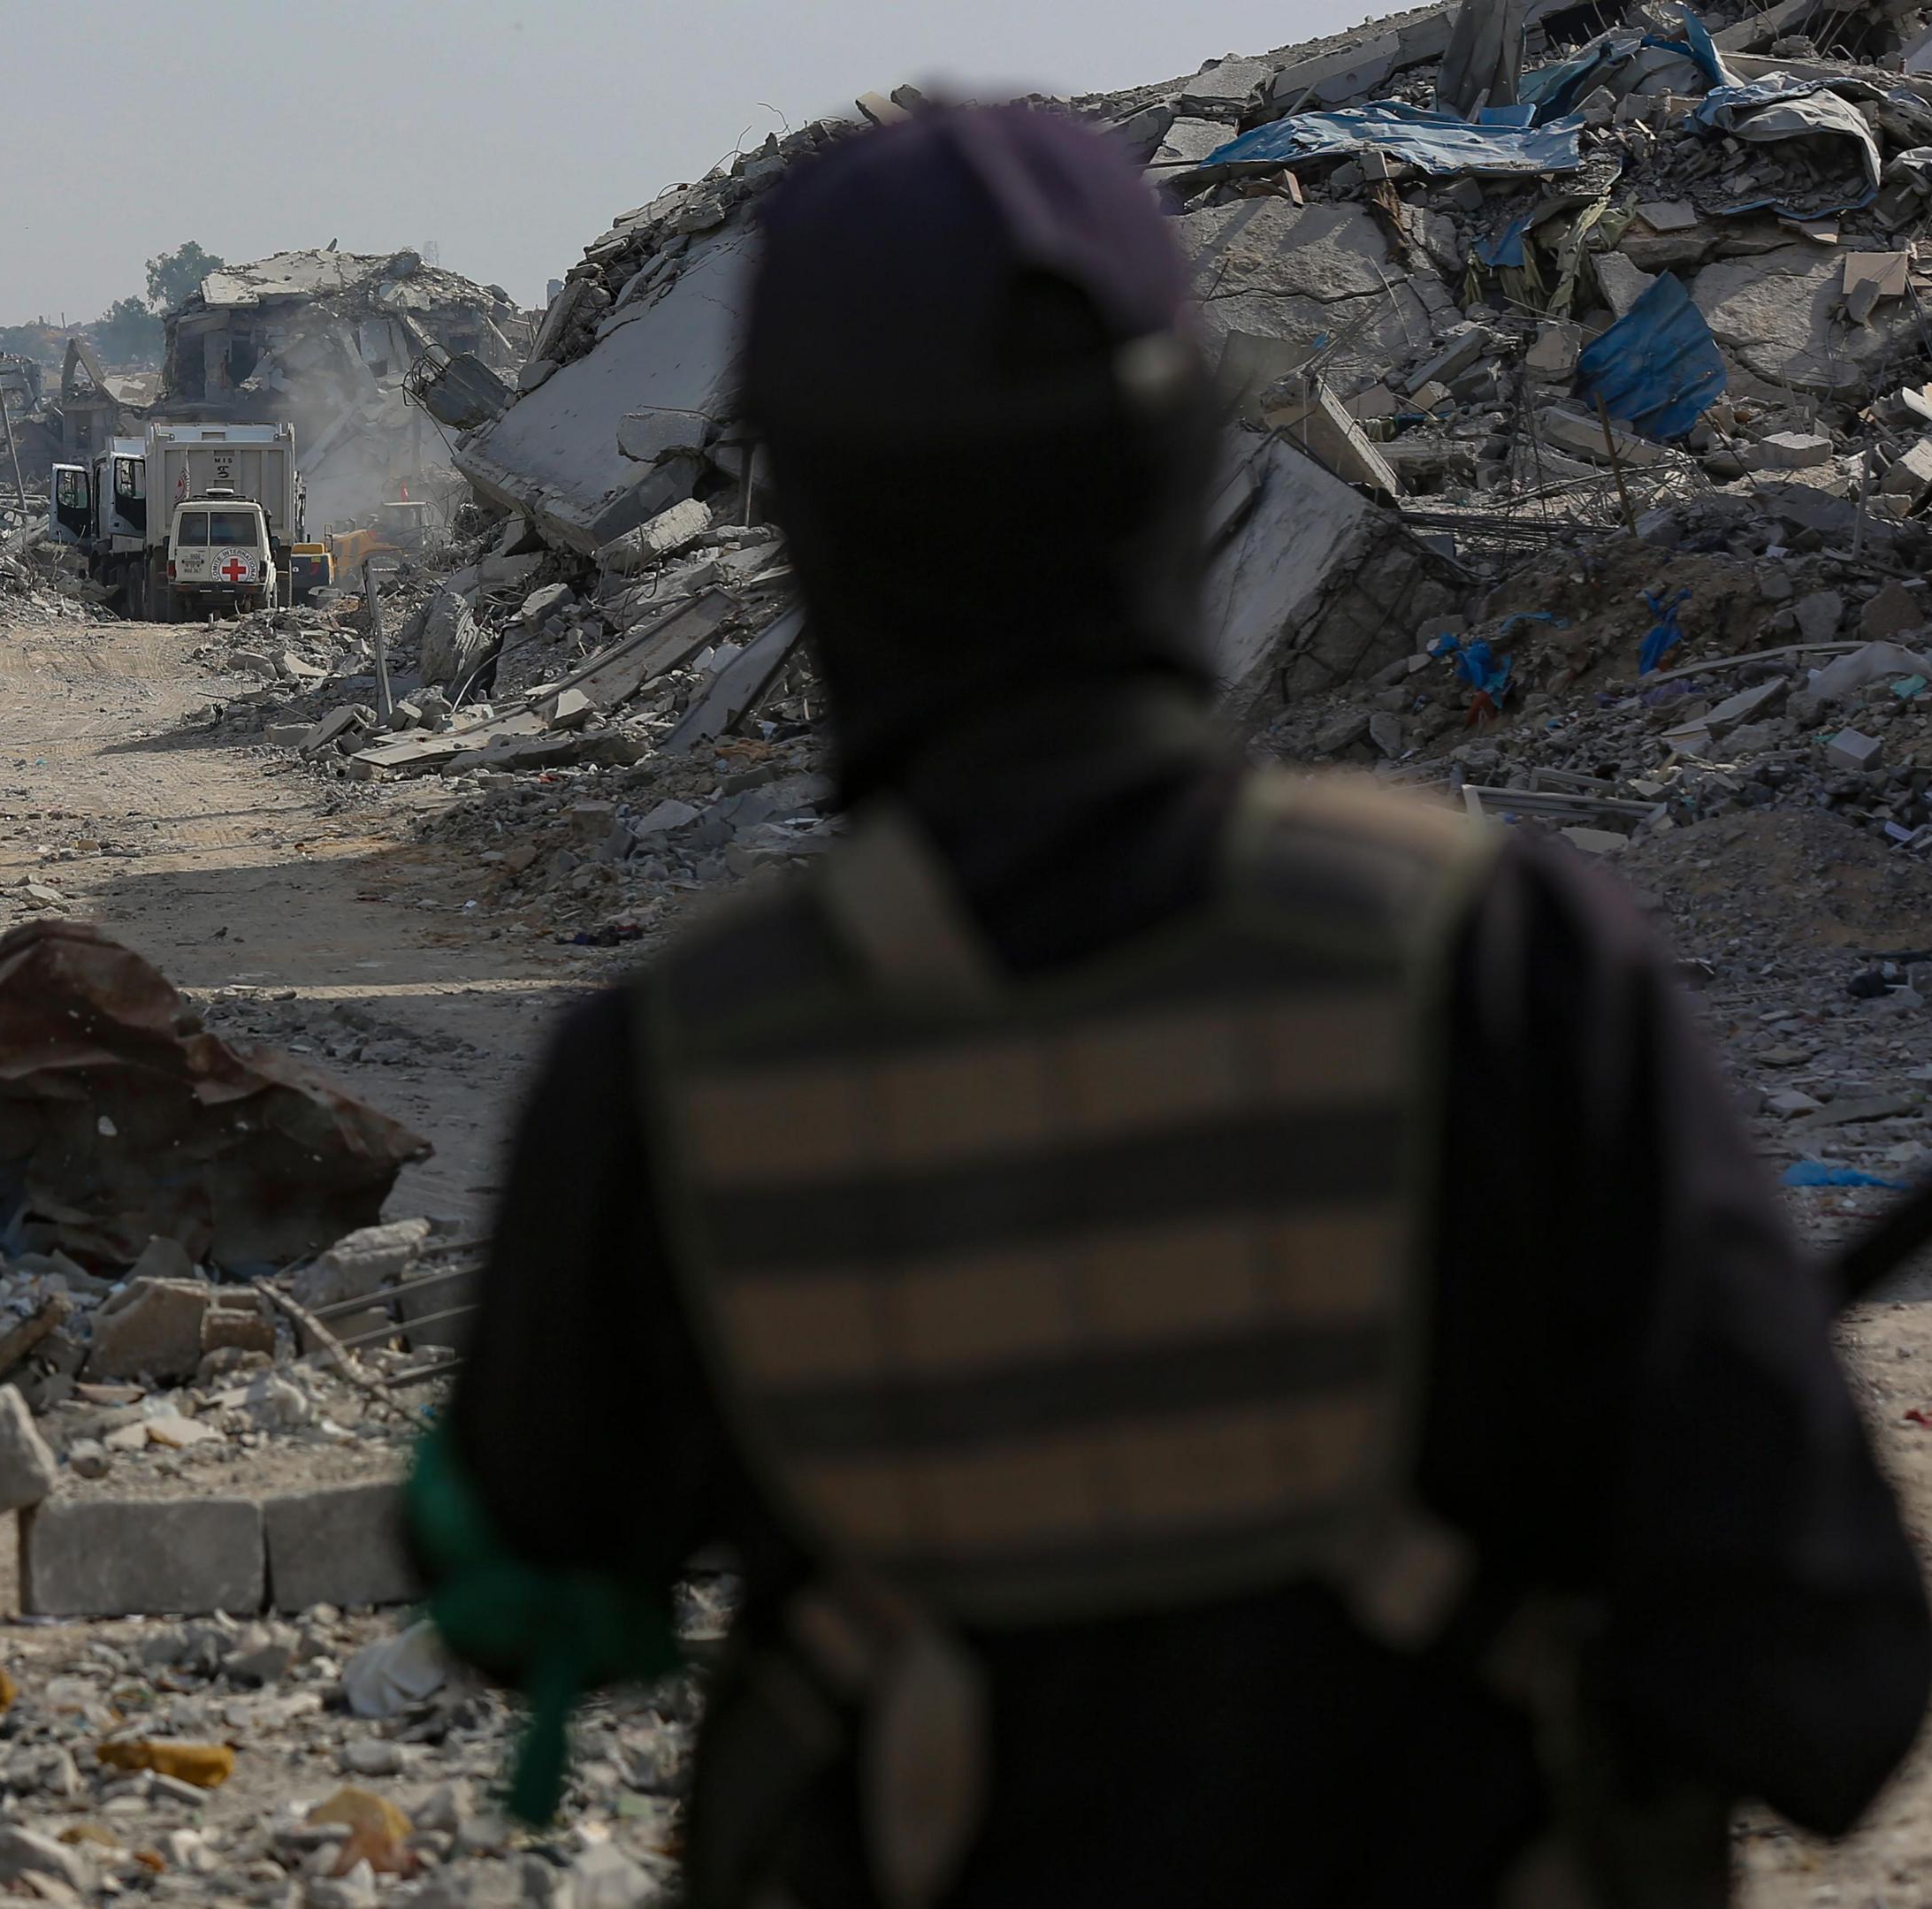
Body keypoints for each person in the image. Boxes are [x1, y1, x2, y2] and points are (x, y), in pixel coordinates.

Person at [413, 106, 1932, 1907]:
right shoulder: (1499, 965)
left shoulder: (675, 1074)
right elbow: (1824, 1689)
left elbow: (519, 1594)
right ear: (1182, 472)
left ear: (798, 515)